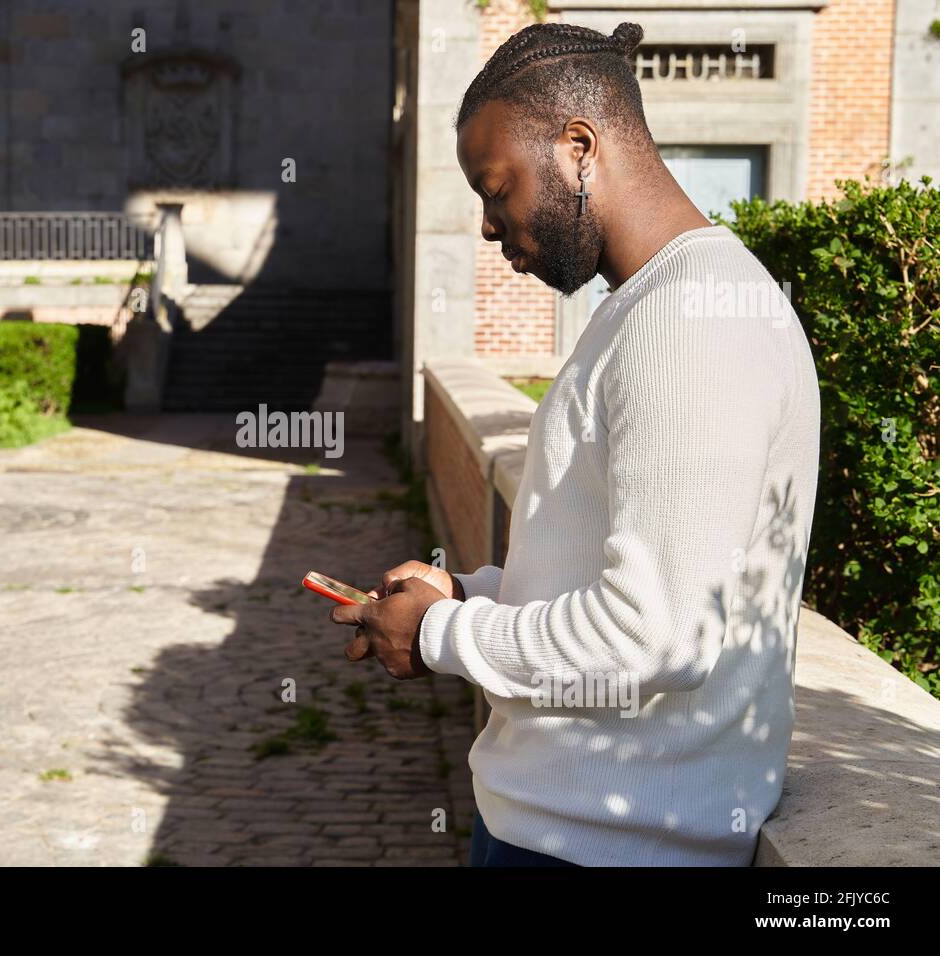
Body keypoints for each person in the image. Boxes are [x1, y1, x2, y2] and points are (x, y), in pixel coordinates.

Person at [329, 20, 821, 867]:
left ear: (580, 146)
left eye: (497, 188)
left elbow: (655, 635)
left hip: (603, 850)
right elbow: (621, 575)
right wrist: (467, 592)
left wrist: (443, 635)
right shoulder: (652, 303)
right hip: (568, 834)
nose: (489, 226)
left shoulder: (687, 322)